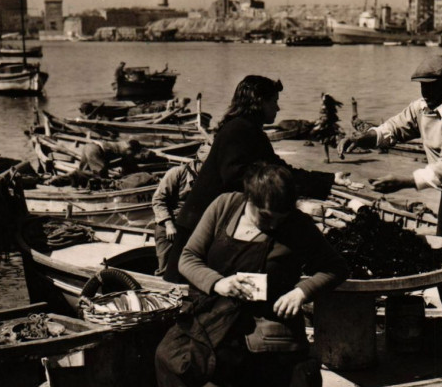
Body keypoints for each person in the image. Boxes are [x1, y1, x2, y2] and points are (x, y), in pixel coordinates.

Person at [154, 164, 349, 387]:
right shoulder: (224, 207)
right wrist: (218, 283)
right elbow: (188, 258)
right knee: (168, 353)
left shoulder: (298, 225)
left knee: (226, 358)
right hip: (213, 308)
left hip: (264, 318)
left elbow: (335, 268)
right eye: (265, 216)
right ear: (249, 200)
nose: (272, 225)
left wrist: (302, 291)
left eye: (279, 218)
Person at [338, 54, 442, 357]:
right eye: (421, 86)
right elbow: (395, 127)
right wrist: (367, 138)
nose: (424, 93)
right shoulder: (423, 107)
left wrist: (404, 181)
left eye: (430, 86)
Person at [163, 75, 334, 283]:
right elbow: (235, 176)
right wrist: (276, 191)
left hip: (214, 222)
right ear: (259, 101)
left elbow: (279, 171)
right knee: (185, 287)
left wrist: (329, 181)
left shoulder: (249, 130)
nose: (278, 108)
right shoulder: (238, 130)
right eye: (275, 101)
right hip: (202, 224)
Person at [152, 144, 211, 275]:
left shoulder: (209, 179)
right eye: (205, 165)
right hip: (170, 225)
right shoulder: (176, 173)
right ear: (197, 160)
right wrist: (168, 224)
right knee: (166, 268)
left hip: (191, 225)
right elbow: (158, 200)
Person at [78, 138, 145, 178]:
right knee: (101, 172)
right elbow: (126, 162)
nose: (133, 155)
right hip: (95, 149)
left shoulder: (122, 144)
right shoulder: (125, 149)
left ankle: (76, 178)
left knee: (84, 170)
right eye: (134, 153)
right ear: (130, 149)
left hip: (88, 146)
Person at [309, 93, 343, 163]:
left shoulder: (324, 107)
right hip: (330, 126)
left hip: (325, 127)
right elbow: (329, 117)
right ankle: (339, 152)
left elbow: (324, 117)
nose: (321, 100)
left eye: (322, 99)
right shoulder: (330, 107)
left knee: (325, 143)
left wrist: (319, 124)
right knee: (331, 142)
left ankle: (327, 158)